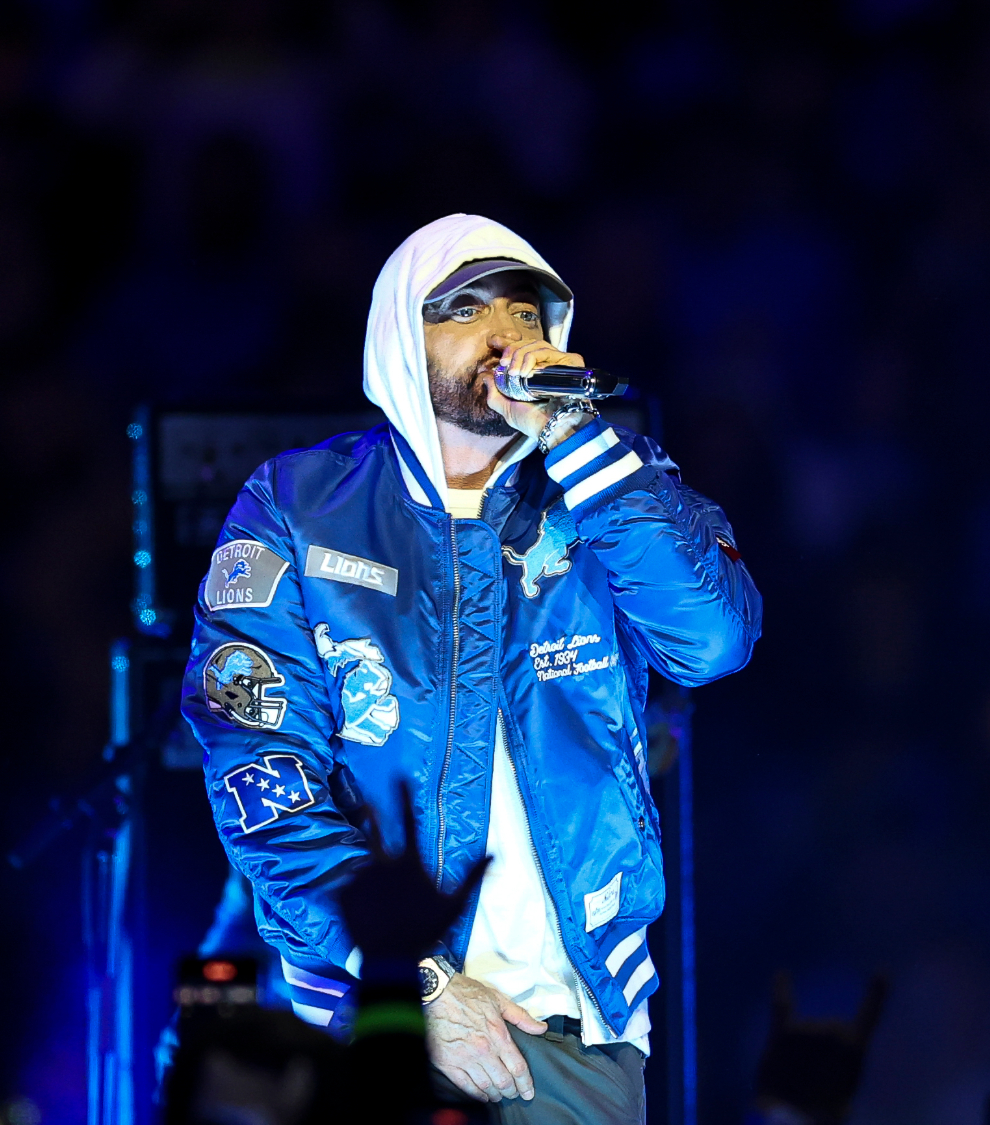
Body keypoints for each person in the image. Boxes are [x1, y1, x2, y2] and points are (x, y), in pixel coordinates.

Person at [182, 213, 762, 1124]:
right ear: (398, 335)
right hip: (366, 1014)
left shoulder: (612, 489)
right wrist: (417, 982)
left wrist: (577, 437)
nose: (504, 334)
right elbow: (260, 772)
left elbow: (714, 640)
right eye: (466, 308)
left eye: (526, 312)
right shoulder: (297, 507)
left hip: (574, 1031)